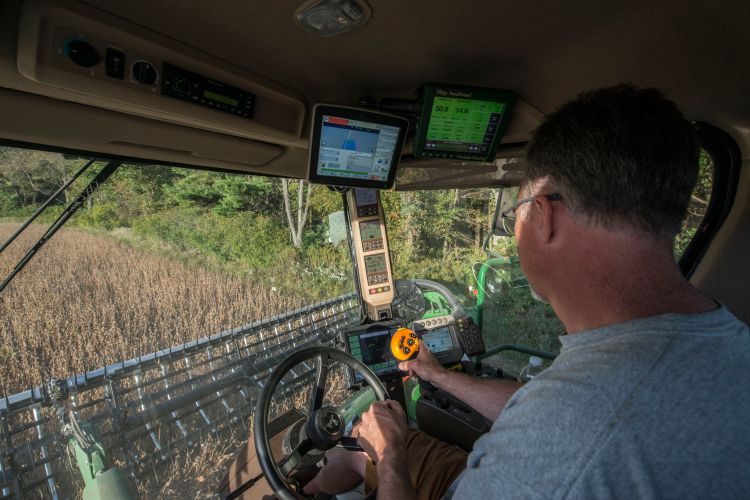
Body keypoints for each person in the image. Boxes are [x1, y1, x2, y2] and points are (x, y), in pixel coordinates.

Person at [304, 85, 750, 499]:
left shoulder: (575, 436)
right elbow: (535, 407)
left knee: (354, 451)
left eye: (515, 212)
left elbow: (559, 428)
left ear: (544, 217)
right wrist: (437, 375)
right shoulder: (717, 341)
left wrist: (392, 451)